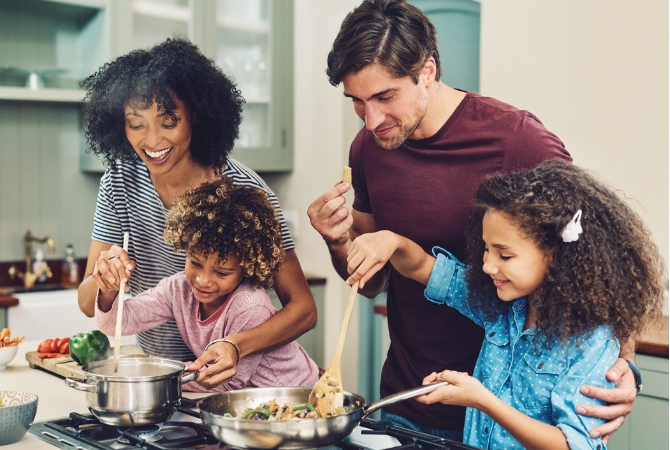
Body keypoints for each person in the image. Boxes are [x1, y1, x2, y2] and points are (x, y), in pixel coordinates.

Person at [307, 0, 637, 440]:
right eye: (357, 102)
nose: (372, 120)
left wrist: (622, 363)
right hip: (408, 399)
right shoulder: (368, 149)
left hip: (514, 420)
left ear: (427, 71)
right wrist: (338, 241)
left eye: (385, 97)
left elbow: (594, 259)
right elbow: (372, 283)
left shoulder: (517, 140)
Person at [344, 161, 664, 449]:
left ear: (555, 255)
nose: (487, 265)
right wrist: (392, 241)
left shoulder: (591, 343)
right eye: (486, 249)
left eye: (505, 255)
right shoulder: (499, 306)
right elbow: (423, 268)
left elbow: (571, 445)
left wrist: (483, 400)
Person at [78, 38, 317, 388]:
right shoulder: (119, 182)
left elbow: (303, 309)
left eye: (169, 120)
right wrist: (105, 280)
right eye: (136, 123)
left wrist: (236, 345)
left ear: (196, 115)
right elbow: (89, 303)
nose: (152, 140)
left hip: (225, 382)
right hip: (164, 375)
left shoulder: (246, 193)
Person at [96, 178, 319, 392]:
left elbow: (226, 382)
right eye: (195, 263)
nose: (203, 280)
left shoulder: (249, 306)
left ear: (247, 268)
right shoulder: (179, 289)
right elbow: (118, 323)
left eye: (222, 273)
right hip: (246, 396)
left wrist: (152, 369)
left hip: (293, 391)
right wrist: (108, 290)